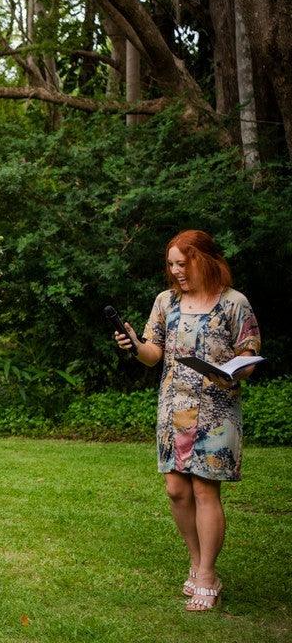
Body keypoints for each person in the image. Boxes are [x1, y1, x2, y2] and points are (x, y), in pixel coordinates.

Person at [114, 229, 260, 612]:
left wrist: (232, 371)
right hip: (173, 406)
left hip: (216, 409)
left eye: (183, 262)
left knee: (204, 490)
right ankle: (195, 560)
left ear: (205, 260)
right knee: (176, 490)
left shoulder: (234, 304)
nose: (176, 271)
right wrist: (134, 344)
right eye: (171, 264)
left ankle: (208, 574)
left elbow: (249, 355)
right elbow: (152, 354)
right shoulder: (166, 302)